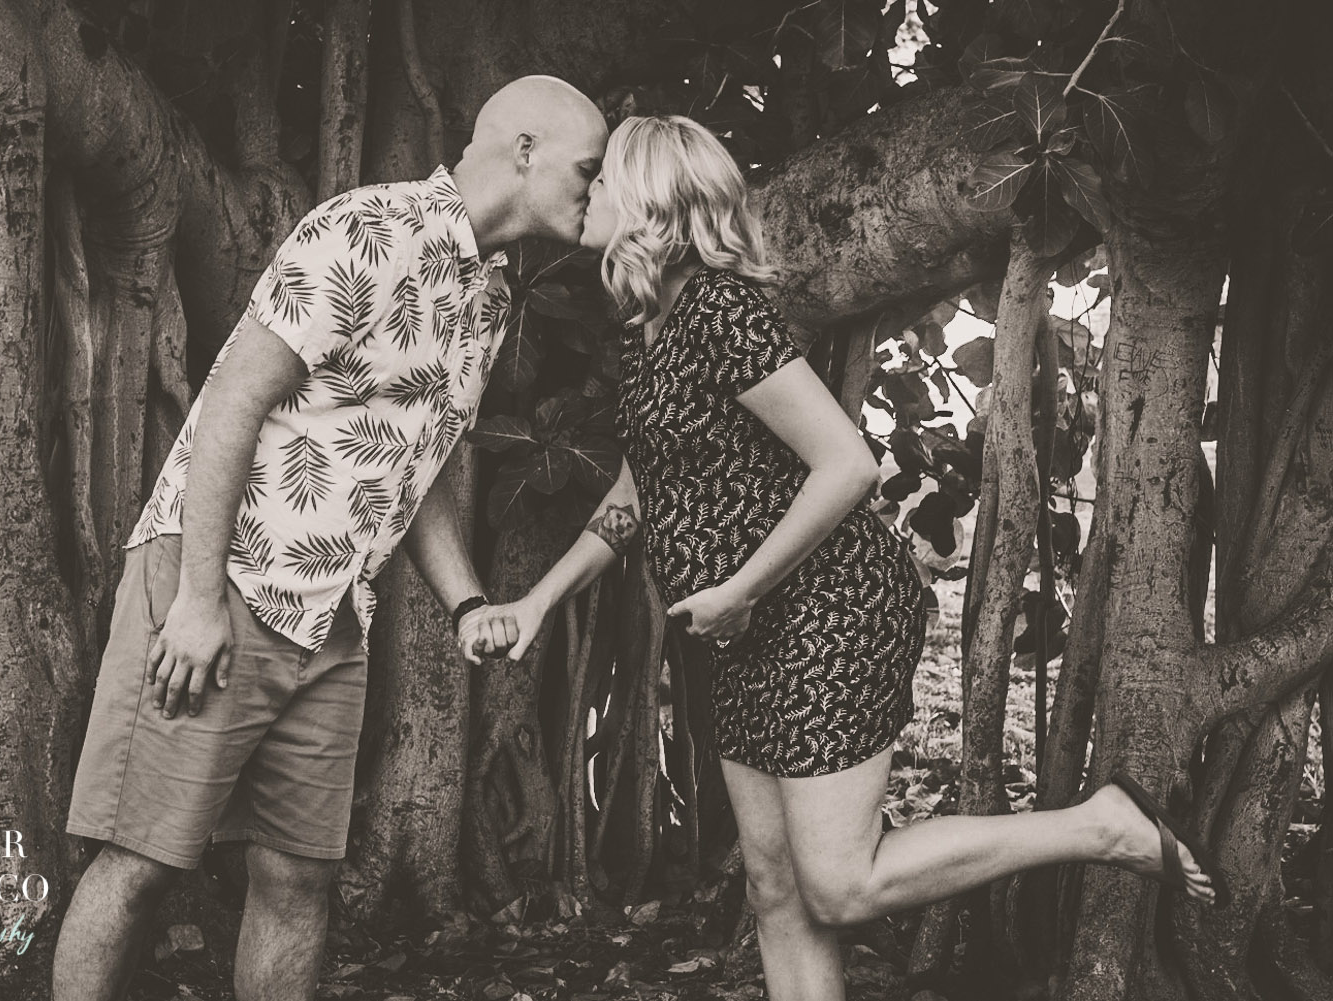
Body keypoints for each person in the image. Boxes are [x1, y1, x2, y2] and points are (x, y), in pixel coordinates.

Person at [459, 113, 1218, 1001]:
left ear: (650, 203)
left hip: (829, 608)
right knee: (775, 888)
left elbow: (845, 462)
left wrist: (741, 587)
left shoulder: (718, 310)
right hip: (741, 629)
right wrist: (540, 600)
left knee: (838, 881)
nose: (583, 193)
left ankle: (1099, 827)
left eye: (601, 179)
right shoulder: (644, 333)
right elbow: (634, 496)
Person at [49, 76, 608, 1001]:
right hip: (220, 581)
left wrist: (465, 598)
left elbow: (408, 461)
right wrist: (193, 601)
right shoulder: (366, 231)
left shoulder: (490, 295)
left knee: (298, 874)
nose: (594, 188)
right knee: (141, 857)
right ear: (524, 149)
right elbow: (232, 400)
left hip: (333, 619)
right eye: (586, 168)